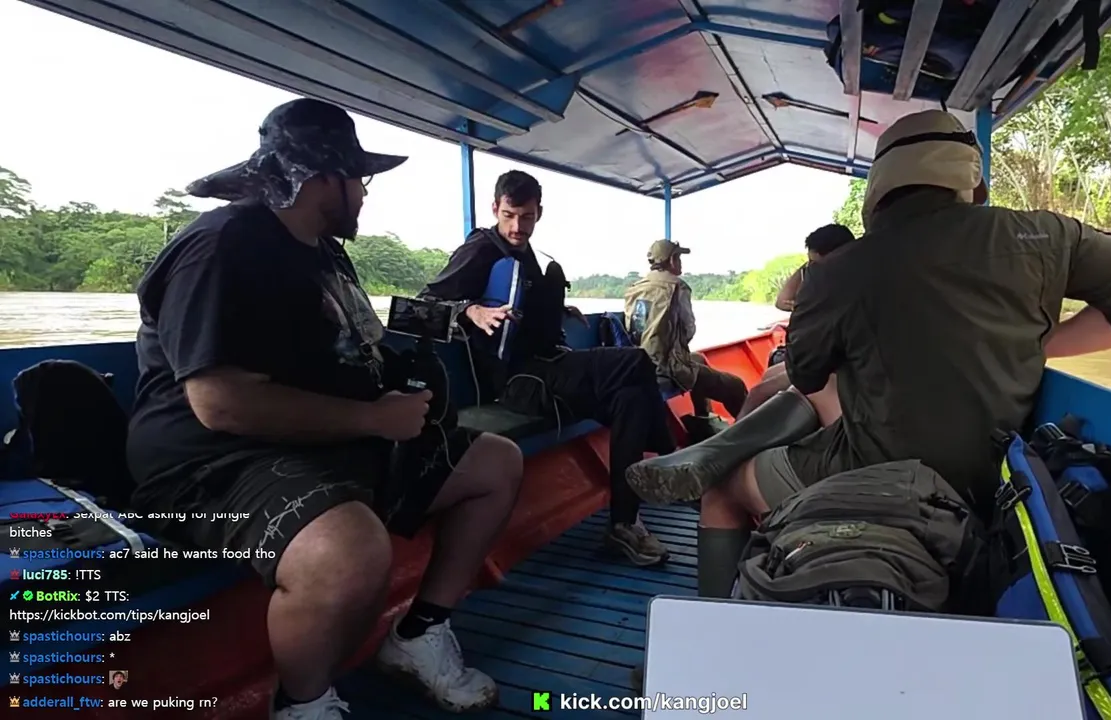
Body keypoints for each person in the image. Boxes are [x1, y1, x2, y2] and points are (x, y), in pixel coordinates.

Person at [625, 109, 1111, 605]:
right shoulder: (1045, 236)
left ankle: (714, 626)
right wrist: (1038, 341)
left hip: (863, 470)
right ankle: (726, 453)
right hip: (990, 481)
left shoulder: (838, 271)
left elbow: (806, 373)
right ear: (971, 181)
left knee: (724, 492)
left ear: (879, 189)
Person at [127, 99, 524, 719]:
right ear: (322, 179)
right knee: (349, 548)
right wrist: (373, 419)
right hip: (211, 462)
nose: (364, 194)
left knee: (496, 463)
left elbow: (354, 345)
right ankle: (302, 702)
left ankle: (417, 637)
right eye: (360, 180)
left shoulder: (321, 250)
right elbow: (220, 404)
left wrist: (395, 396)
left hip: (320, 440)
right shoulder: (222, 246)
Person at [423, 170, 677, 567]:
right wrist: (470, 311)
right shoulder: (480, 249)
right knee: (635, 360)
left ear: (538, 213)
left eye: (526, 217)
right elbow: (421, 307)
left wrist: (555, 309)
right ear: (495, 208)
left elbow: (524, 307)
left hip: (549, 369)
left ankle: (623, 524)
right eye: (509, 215)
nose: (517, 226)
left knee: (630, 398)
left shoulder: (526, 254)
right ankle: (670, 460)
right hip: (518, 383)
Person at [623, 239, 748, 434]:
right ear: (672, 260)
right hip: (665, 367)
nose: (681, 262)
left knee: (698, 359)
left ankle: (703, 420)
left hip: (639, 362)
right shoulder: (677, 287)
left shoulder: (635, 287)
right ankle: (747, 434)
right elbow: (688, 331)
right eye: (679, 258)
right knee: (735, 386)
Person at [739, 224, 855, 417]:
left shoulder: (843, 292)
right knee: (768, 376)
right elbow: (782, 301)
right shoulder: (831, 288)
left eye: (815, 265)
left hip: (841, 372)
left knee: (758, 394)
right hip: (830, 364)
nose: (812, 271)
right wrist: (809, 266)